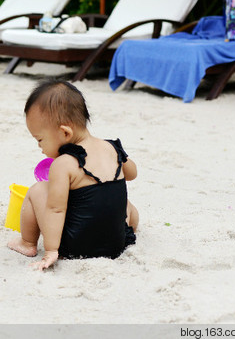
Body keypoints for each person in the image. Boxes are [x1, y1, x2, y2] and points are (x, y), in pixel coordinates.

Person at [8, 79, 139, 270]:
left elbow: (56, 209)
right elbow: (132, 174)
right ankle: (131, 226)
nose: (40, 147)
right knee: (124, 203)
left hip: (75, 246)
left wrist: (52, 250)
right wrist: (119, 158)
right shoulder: (112, 148)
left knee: (37, 190)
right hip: (116, 244)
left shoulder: (63, 164)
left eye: (40, 140)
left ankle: (27, 243)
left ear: (65, 133)